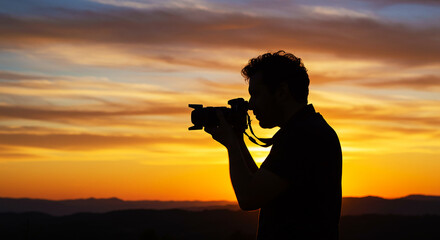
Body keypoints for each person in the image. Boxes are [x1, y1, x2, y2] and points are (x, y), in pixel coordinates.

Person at [204, 50, 342, 239]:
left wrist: (231, 145)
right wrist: (238, 140)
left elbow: (248, 198)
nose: (251, 105)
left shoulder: (302, 136)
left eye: (256, 94)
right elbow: (258, 183)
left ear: (281, 93)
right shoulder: (307, 129)